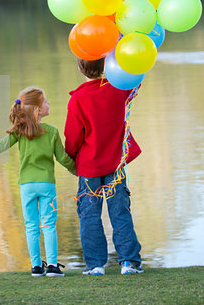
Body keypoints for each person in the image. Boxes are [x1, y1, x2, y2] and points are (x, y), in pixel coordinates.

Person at [0, 86, 76, 277]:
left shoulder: (19, 131)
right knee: (48, 225)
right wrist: (79, 171)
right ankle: (53, 266)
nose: (48, 104)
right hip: (46, 185)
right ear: (38, 109)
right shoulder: (52, 131)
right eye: (45, 102)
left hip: (27, 186)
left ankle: (36, 267)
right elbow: (63, 159)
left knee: (31, 226)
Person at [64, 57, 143, 275]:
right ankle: (129, 262)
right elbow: (136, 82)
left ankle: (96, 265)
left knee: (89, 215)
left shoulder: (77, 99)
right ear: (106, 66)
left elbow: (72, 136)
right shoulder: (117, 89)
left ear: (80, 68)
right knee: (120, 212)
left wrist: (71, 156)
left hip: (89, 168)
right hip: (115, 164)